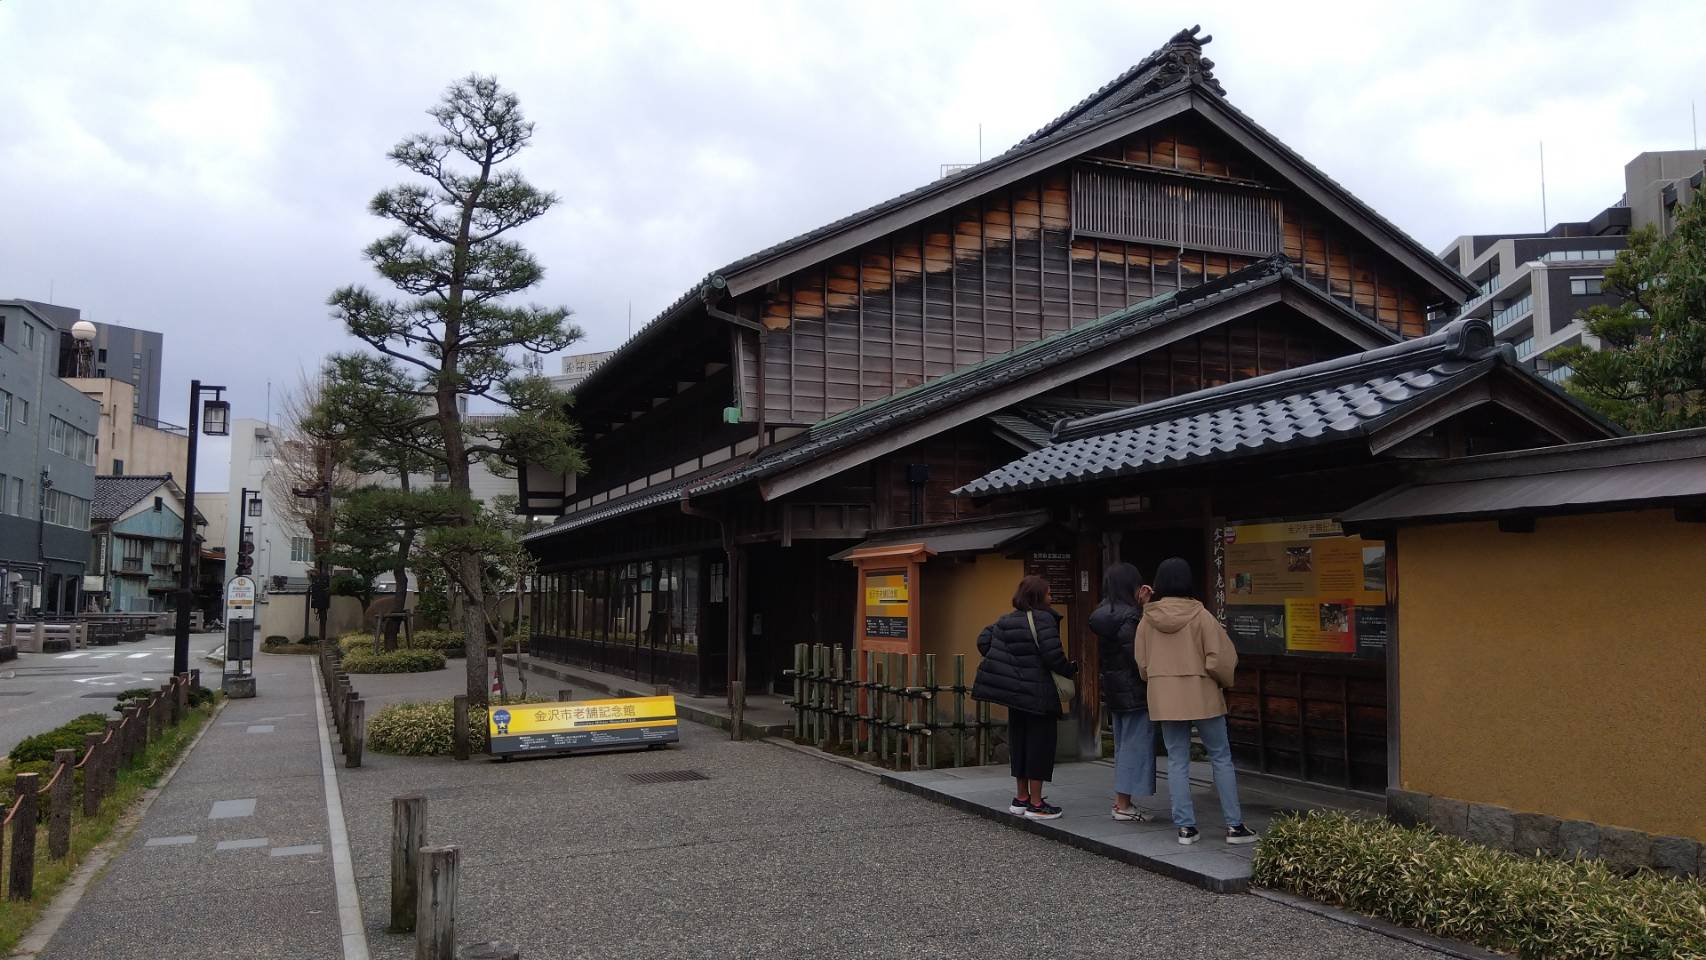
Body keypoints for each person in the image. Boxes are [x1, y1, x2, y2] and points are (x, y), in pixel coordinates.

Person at [1134, 557, 1258, 846]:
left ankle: (1186, 828)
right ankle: (1234, 826)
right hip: (1201, 693)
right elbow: (1219, 659)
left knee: (1177, 760)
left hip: (1165, 697)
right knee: (1221, 757)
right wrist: (1224, 681)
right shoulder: (1201, 616)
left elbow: (1142, 665)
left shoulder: (1147, 620)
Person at [973, 574, 1077, 821]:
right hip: (1039, 694)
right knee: (1039, 746)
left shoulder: (1006, 620)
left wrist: (1007, 664)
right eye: (1049, 593)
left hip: (1014, 695)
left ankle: (1020, 798)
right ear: (1039, 596)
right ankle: (1037, 803)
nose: (1052, 598)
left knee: (1019, 744)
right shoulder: (1044, 619)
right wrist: (1071, 669)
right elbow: (1053, 657)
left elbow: (983, 641)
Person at [1088, 562, 1154, 822]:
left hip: (1115, 689)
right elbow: (1138, 653)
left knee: (1123, 744)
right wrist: (1146, 610)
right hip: (1133, 689)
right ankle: (1123, 804)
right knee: (1134, 745)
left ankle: (1123, 801)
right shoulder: (1130, 616)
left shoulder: (1104, 613)